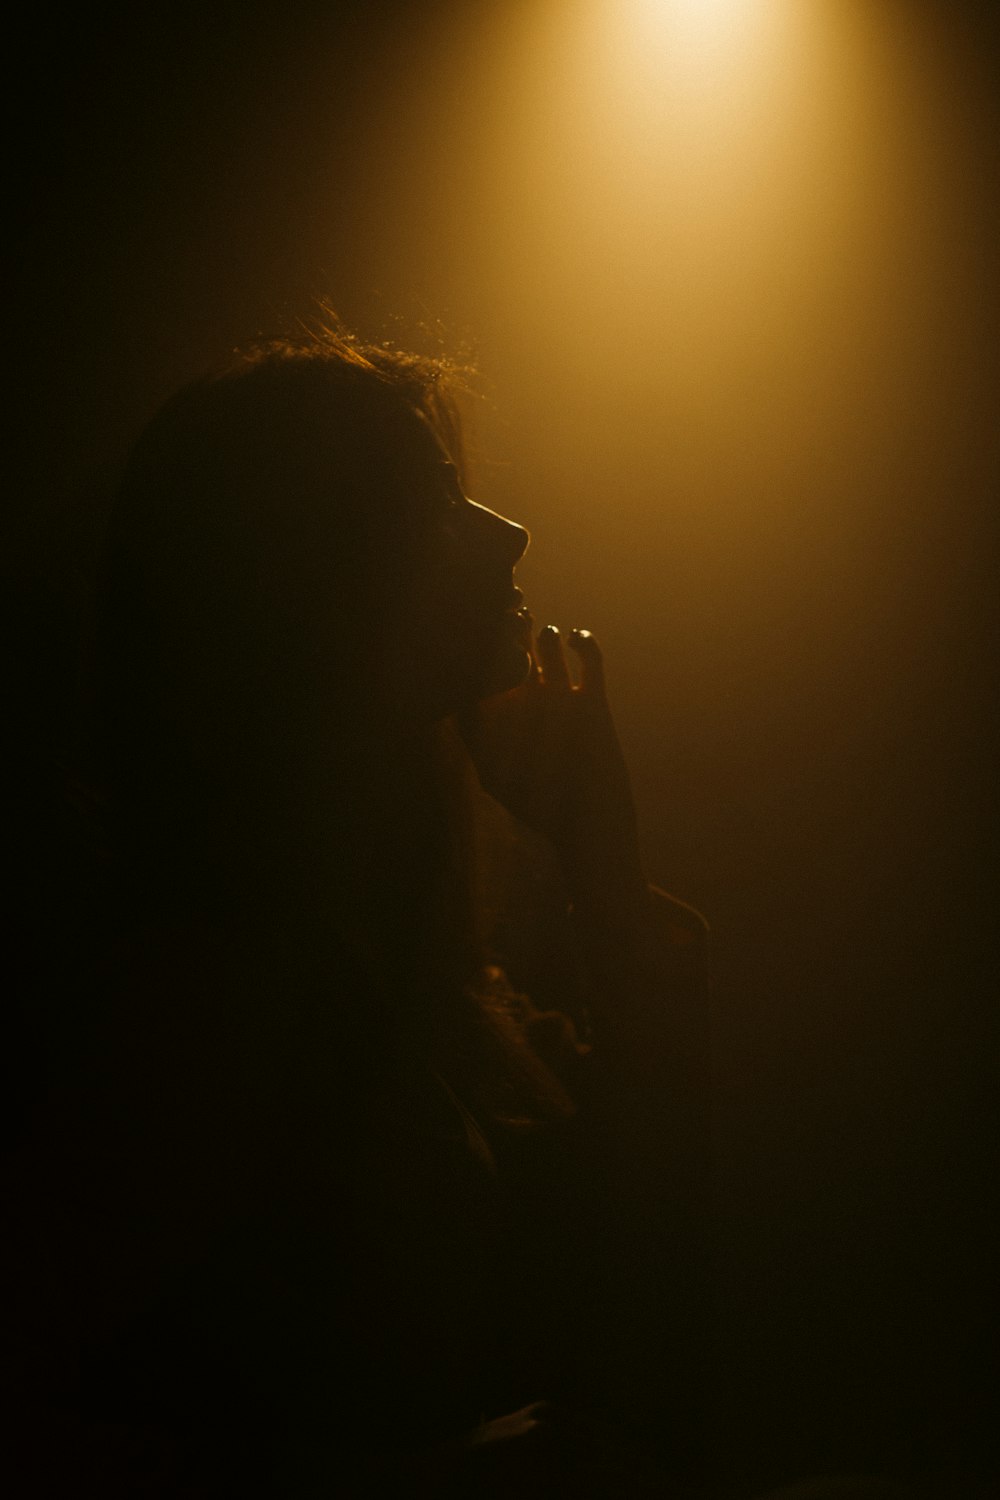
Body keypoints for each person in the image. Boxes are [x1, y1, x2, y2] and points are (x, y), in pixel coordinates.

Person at [6, 328, 710, 1496]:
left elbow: (651, 1319)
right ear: (308, 587)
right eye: (432, 503)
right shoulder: (214, 995)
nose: (509, 534)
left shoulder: (374, 956)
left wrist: (605, 874)